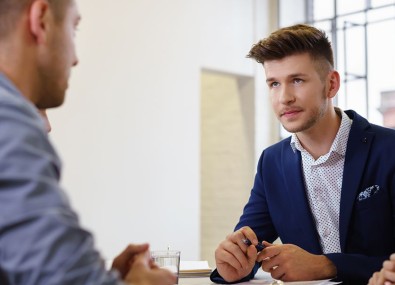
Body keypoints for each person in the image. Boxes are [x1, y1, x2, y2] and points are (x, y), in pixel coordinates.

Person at [0, 0, 176, 284]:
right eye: (74, 28)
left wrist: (110, 278)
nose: (75, 58)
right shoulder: (9, 123)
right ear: (41, 20)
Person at [210, 24, 395, 285]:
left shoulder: (389, 149)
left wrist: (327, 265)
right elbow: (248, 246)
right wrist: (234, 265)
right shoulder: (271, 162)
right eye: (274, 83)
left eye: (297, 80)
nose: (284, 97)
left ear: (331, 84)